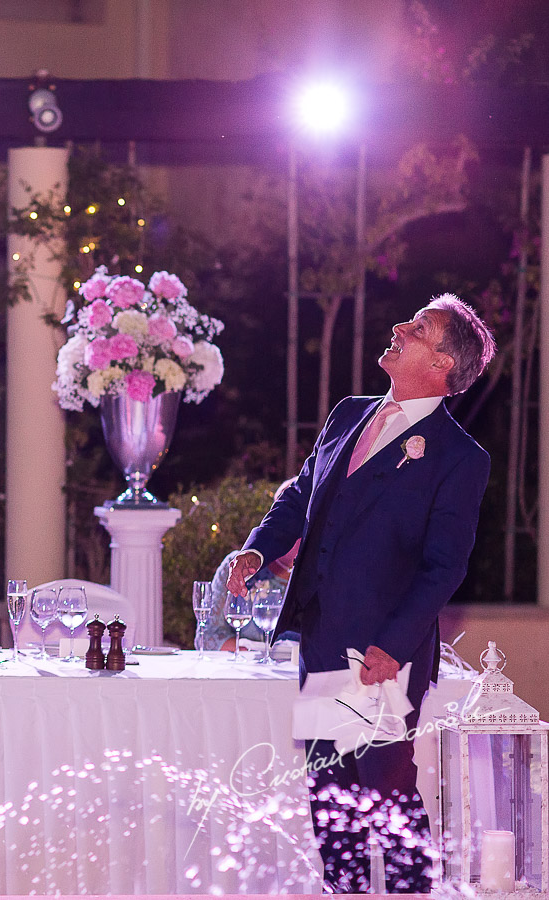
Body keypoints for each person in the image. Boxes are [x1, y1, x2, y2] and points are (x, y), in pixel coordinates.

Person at [228, 295, 495, 893]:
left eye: (419, 328)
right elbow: (299, 496)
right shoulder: (349, 413)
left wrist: (394, 646)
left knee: (387, 799)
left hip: (379, 660)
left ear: (443, 364)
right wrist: (258, 548)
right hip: (321, 642)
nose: (399, 325)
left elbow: (443, 568)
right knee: (332, 806)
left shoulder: (459, 458)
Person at [205, 479, 301, 651]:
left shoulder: (324, 572)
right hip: (246, 673)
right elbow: (208, 636)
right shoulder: (238, 567)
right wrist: (252, 658)